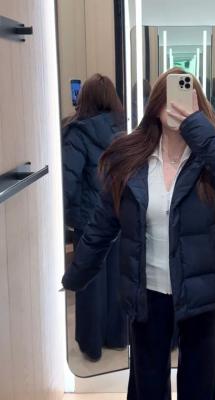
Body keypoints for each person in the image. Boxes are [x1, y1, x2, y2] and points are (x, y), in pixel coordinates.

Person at [62, 67, 215, 400]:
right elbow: (102, 224)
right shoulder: (130, 157)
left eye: (186, 98)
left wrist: (198, 128)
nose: (176, 106)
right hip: (147, 292)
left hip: (202, 290)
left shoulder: (213, 156)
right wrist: (76, 274)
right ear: (156, 105)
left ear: (197, 105)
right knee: (148, 382)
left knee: (199, 383)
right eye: (169, 98)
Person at [62, 73, 128, 361]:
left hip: (88, 219)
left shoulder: (76, 133)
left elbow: (68, 181)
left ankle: (92, 345)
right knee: (116, 278)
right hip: (119, 215)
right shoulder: (124, 131)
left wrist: (64, 215)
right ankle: (117, 336)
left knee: (90, 281)